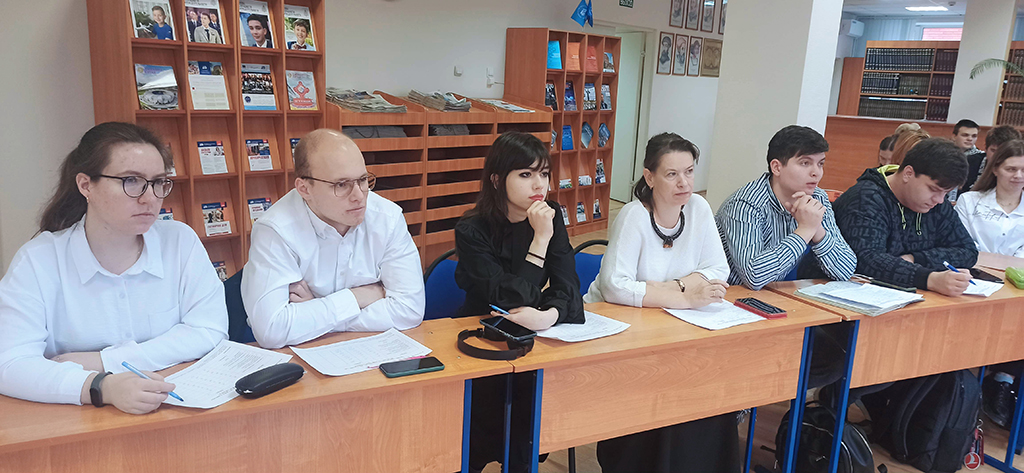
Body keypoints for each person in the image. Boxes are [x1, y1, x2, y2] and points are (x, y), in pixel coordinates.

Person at [0, 122, 227, 413]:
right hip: (77, 419)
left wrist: (104, 361)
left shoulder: (179, 241)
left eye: (158, 182)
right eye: (131, 180)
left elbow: (209, 330)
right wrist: (101, 386)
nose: (150, 198)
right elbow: (10, 363)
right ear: (86, 185)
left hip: (170, 408)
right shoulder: (38, 260)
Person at [584, 133, 738, 473]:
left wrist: (669, 288)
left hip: (668, 327)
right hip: (614, 330)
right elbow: (614, 287)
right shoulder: (634, 216)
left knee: (708, 386)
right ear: (649, 177)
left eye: (689, 171)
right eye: (672, 174)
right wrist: (686, 298)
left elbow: (718, 270)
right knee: (660, 391)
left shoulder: (698, 208)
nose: (684, 183)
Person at [454, 131, 584, 473]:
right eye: (525, 174)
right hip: (480, 347)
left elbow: (570, 286)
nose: (538, 185)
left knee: (529, 429)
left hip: (531, 340)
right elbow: (508, 300)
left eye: (544, 173)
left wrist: (550, 315)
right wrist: (540, 239)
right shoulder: (472, 229)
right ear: (498, 179)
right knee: (472, 440)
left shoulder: (551, 213)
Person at [241, 129, 423, 349]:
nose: (359, 196)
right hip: (300, 353)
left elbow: (410, 310)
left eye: (363, 180)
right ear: (304, 189)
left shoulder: (387, 218)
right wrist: (357, 297)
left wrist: (318, 310)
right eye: (341, 185)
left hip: (367, 349)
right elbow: (272, 330)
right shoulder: (276, 230)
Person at [716, 125, 856, 291]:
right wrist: (805, 230)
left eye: (820, 164)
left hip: (775, 294)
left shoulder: (817, 198)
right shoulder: (745, 205)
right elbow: (754, 277)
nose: (816, 173)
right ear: (776, 167)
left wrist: (816, 229)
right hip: (728, 296)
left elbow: (846, 270)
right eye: (805, 163)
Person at [833, 138, 977, 296]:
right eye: (933, 189)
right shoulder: (866, 198)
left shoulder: (937, 204)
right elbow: (866, 259)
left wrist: (916, 258)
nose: (939, 200)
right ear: (908, 174)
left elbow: (967, 251)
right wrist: (929, 279)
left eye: (946, 193)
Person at [955, 140, 1024, 258]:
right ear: (995, 169)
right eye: (1011, 169)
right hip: (972, 267)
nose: (1018, 176)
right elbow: (962, 243)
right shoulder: (968, 201)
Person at [960, 125, 1022, 194]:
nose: (997, 156)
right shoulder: (969, 162)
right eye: (993, 150)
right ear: (986, 149)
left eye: (1003, 152)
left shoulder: (1019, 173)